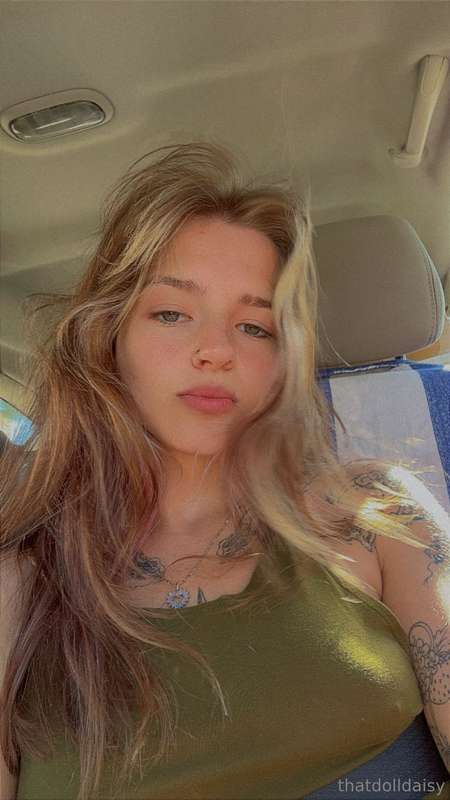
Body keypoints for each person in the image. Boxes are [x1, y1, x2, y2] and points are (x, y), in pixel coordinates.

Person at [0, 141, 449, 800]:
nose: (214, 349)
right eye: (172, 313)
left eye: (255, 327)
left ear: (284, 362)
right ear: (110, 339)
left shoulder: (376, 514)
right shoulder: (22, 577)